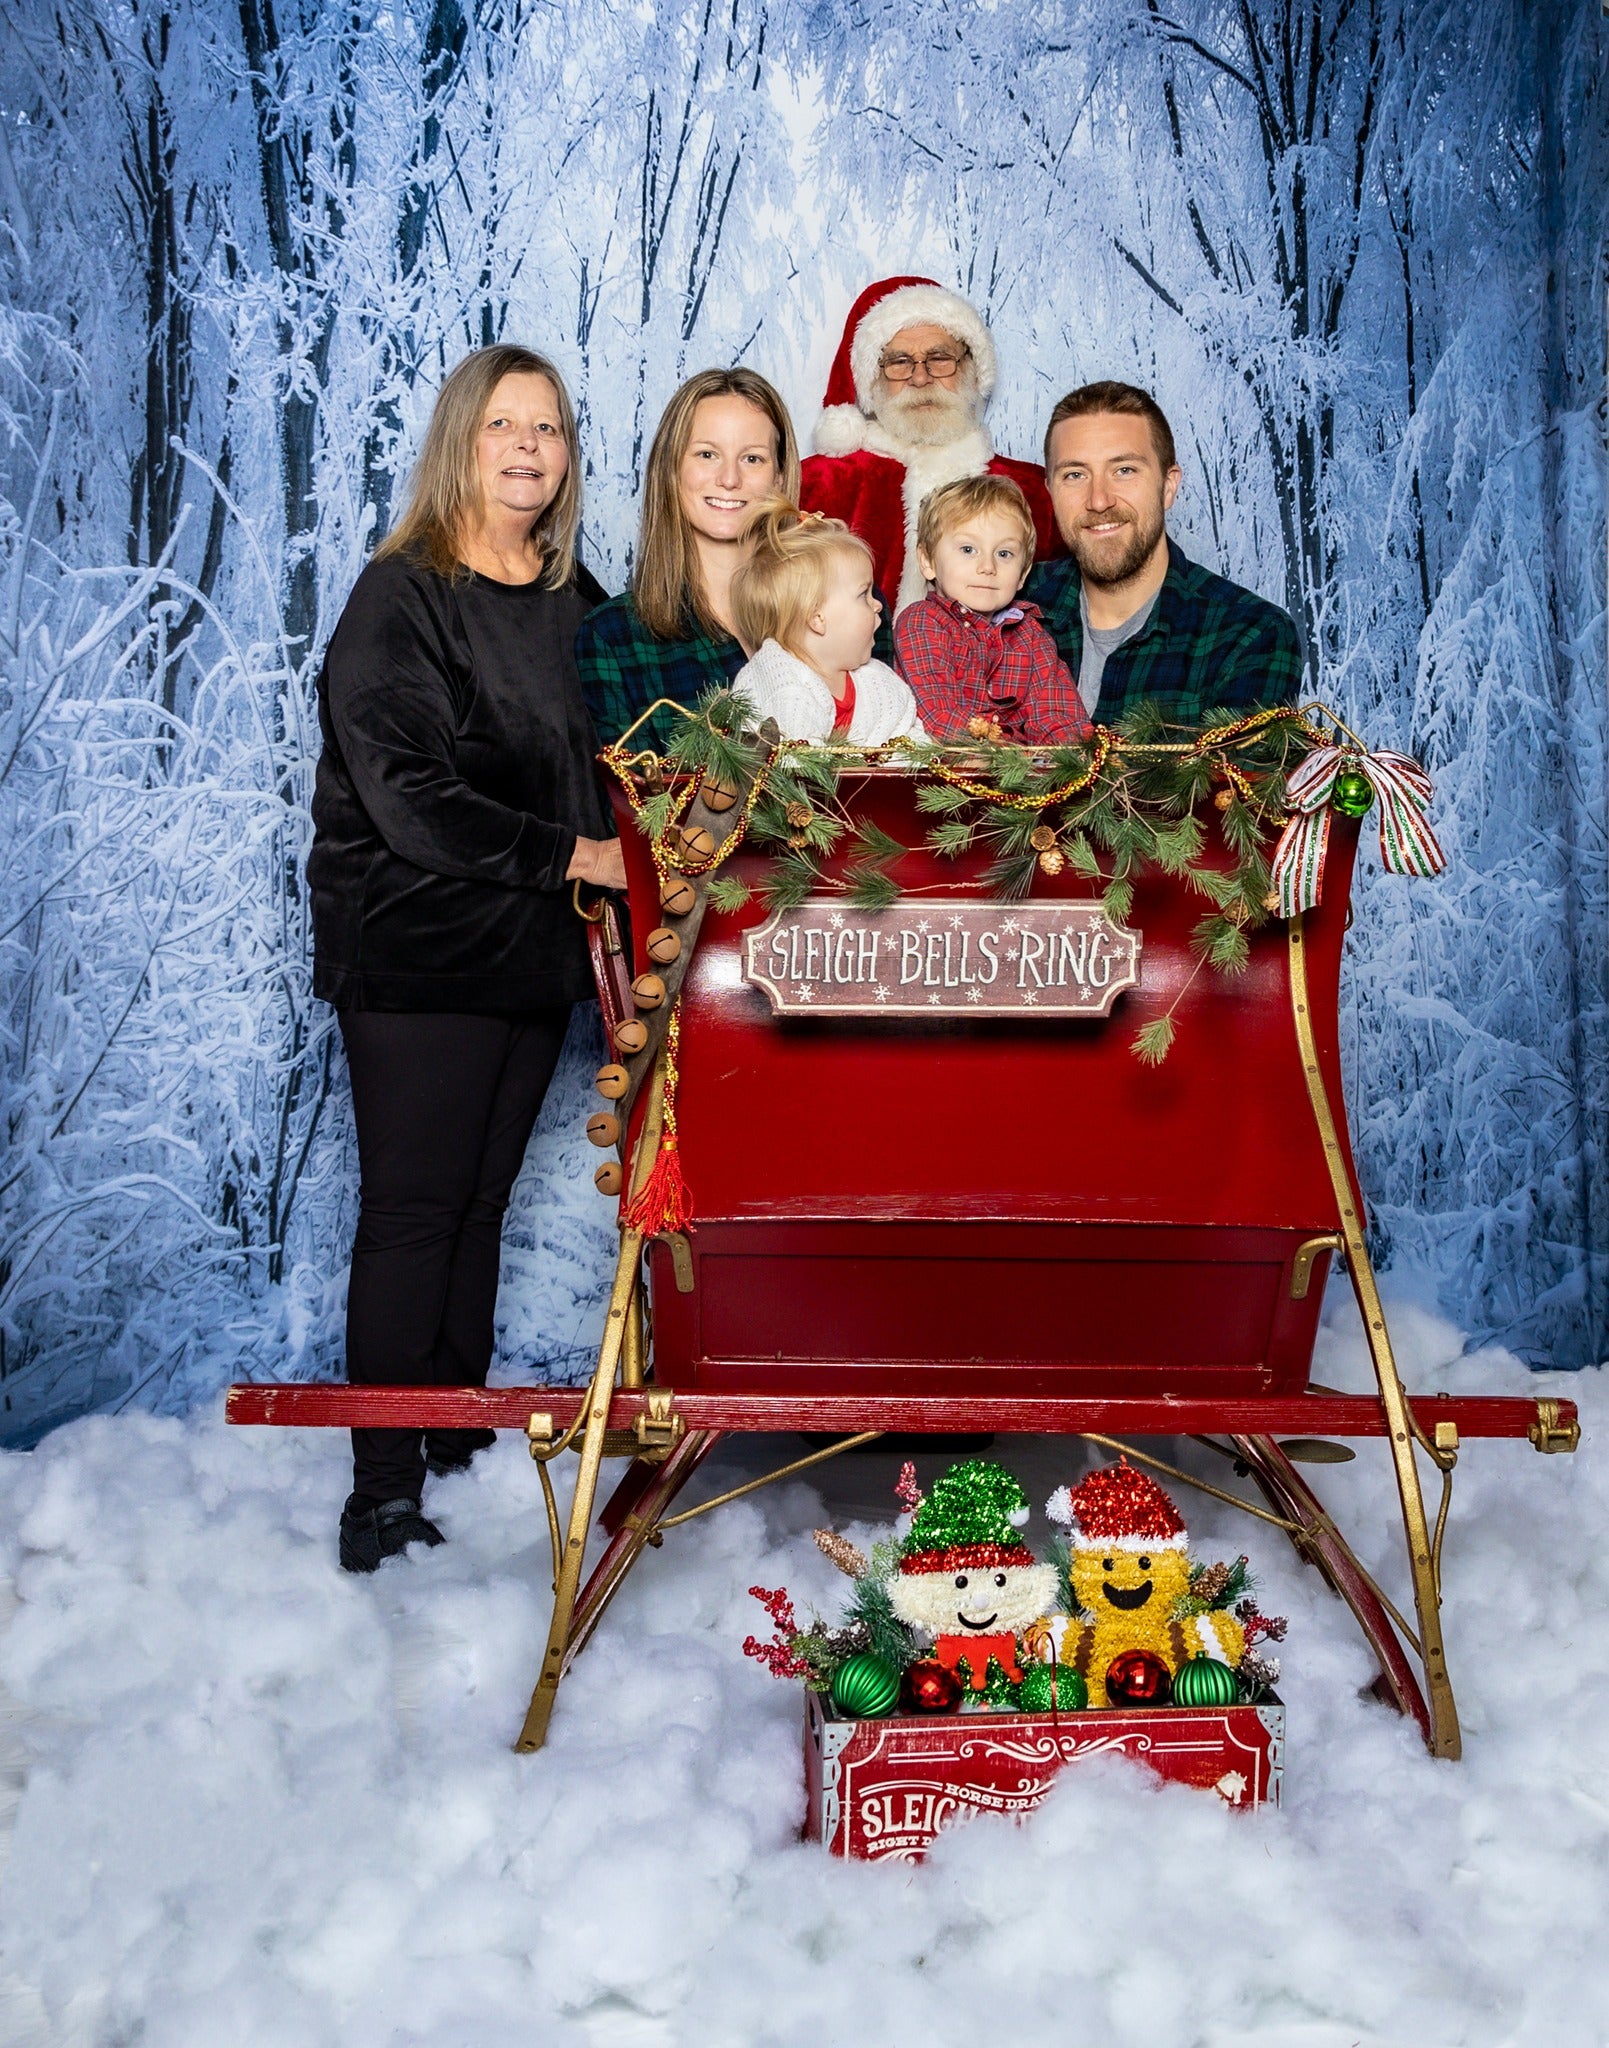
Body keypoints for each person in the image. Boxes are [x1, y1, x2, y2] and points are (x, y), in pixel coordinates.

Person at [308, 344, 626, 1575]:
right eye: (503, 424)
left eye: (548, 427)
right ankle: (380, 1492)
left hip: (530, 954)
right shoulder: (403, 594)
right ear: (459, 440)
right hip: (417, 951)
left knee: (481, 1202)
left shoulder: (569, 593)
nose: (527, 447)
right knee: (413, 1209)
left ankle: (450, 1435)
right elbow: (409, 797)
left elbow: (624, 735)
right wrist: (575, 854)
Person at [1026, 380, 1305, 726]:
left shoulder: (1249, 635)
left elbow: (1236, 764)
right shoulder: (1010, 602)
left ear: (1168, 487)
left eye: (1124, 470)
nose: (1098, 500)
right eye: (1075, 475)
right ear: (1051, 492)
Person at [800, 276, 1063, 615]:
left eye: (939, 358)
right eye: (899, 362)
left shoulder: (1035, 494)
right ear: (872, 380)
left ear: (972, 369)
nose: (921, 378)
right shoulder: (819, 486)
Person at [575, 368, 799, 756]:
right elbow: (629, 791)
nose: (729, 479)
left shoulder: (846, 607)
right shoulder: (613, 639)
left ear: (779, 477)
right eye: (707, 454)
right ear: (671, 469)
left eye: (752, 458)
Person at [893, 474, 1093, 746]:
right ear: (927, 561)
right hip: (943, 764)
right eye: (968, 549)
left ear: (1022, 574)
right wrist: (1009, 751)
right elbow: (939, 716)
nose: (987, 567)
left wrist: (1077, 753)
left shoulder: (1032, 636)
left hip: (1020, 768)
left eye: (1004, 554)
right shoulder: (921, 622)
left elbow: (1057, 714)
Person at [729, 500, 926, 747]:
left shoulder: (878, 681)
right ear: (817, 619)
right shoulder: (782, 686)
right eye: (863, 594)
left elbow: (911, 739)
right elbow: (795, 759)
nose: (877, 604)